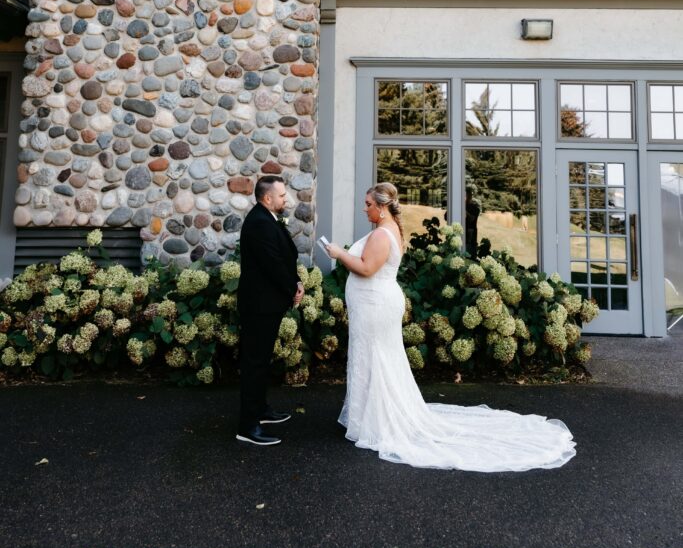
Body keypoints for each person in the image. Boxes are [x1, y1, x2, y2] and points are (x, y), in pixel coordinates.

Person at [325, 183, 576, 471]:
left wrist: (337, 253)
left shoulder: (382, 234)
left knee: (378, 358)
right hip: (373, 304)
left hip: (375, 306)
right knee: (374, 358)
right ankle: (369, 416)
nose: (364, 207)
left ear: (381, 207)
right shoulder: (387, 229)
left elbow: (367, 268)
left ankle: (378, 421)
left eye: (368, 203)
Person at [236, 176, 304, 446]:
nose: (285, 199)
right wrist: (292, 287)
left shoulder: (266, 219)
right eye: (282, 195)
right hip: (259, 306)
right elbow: (272, 264)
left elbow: (283, 256)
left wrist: (296, 281)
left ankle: (260, 410)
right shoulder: (259, 223)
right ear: (268, 198)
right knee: (254, 363)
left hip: (267, 304)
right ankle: (247, 426)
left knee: (262, 360)